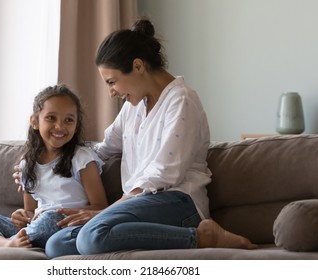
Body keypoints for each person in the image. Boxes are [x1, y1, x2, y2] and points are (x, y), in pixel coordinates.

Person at [24, 18, 256, 258]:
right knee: (56, 245)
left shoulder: (181, 101)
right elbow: (102, 150)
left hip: (178, 202)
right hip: (137, 207)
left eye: (112, 82)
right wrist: (45, 163)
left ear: (137, 66)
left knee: (92, 236)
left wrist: (107, 211)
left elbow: (163, 174)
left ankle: (202, 235)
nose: (111, 92)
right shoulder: (133, 106)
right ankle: (125, 233)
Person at [0, 84, 108, 248]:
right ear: (35, 121)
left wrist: (59, 215)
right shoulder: (27, 163)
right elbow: (30, 211)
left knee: (49, 219)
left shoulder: (82, 158)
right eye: (51, 118)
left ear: (76, 126)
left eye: (69, 120)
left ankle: (18, 239)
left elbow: (101, 207)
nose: (60, 126)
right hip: (36, 225)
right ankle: (4, 243)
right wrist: (21, 216)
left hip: (63, 225)